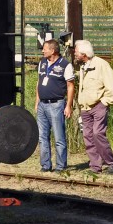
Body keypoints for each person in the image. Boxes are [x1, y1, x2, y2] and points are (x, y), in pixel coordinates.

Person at [72, 40, 113, 175]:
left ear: (83, 53)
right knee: (88, 136)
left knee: (98, 134)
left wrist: (105, 102)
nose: (74, 53)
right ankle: (95, 166)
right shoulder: (83, 66)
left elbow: (111, 87)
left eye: (76, 51)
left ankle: (111, 163)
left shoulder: (102, 65)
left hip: (98, 105)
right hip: (85, 107)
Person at [34, 38, 75, 172]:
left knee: (58, 137)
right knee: (42, 137)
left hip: (56, 105)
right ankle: (45, 165)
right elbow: (38, 83)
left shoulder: (65, 65)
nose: (43, 51)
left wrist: (68, 105)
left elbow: (70, 86)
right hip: (42, 105)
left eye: (45, 48)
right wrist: (37, 102)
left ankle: (61, 166)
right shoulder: (42, 63)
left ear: (52, 50)